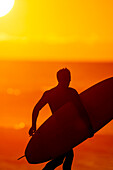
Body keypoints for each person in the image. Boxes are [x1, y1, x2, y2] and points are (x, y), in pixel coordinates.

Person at [29, 68, 94, 170]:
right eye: (67, 79)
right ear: (60, 79)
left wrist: (34, 125)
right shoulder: (71, 93)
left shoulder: (50, 93)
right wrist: (89, 127)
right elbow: (82, 111)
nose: (69, 81)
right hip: (63, 131)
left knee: (67, 156)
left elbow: (36, 109)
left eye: (69, 78)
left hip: (61, 130)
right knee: (63, 158)